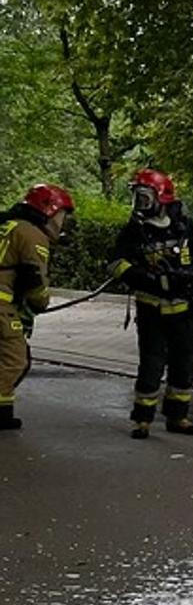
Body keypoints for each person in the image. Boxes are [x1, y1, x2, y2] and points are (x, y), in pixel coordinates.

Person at [107, 168, 193, 439]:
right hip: (151, 310)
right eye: (136, 197)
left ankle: (177, 417)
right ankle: (142, 420)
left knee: (183, 365)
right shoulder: (135, 231)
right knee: (151, 365)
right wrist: (143, 279)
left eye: (144, 197)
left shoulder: (187, 228)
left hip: (184, 310)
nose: (139, 203)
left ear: (161, 197)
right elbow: (116, 263)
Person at [0, 184, 74, 431]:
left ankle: (4, 413)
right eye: (62, 216)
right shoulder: (32, 235)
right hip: (2, 305)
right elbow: (37, 287)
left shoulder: (7, 225)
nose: (62, 223)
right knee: (14, 360)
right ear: (49, 211)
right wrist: (40, 302)